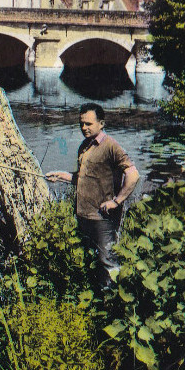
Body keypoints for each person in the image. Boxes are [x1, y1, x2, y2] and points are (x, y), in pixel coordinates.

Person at [46, 102, 139, 290]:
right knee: (90, 260)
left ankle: (116, 304)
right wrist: (62, 176)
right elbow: (83, 178)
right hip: (84, 215)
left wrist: (116, 201)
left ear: (101, 123)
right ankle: (97, 302)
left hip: (103, 218)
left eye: (88, 124)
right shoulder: (84, 146)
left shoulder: (110, 145)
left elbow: (133, 174)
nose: (83, 128)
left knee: (108, 261)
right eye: (81, 123)